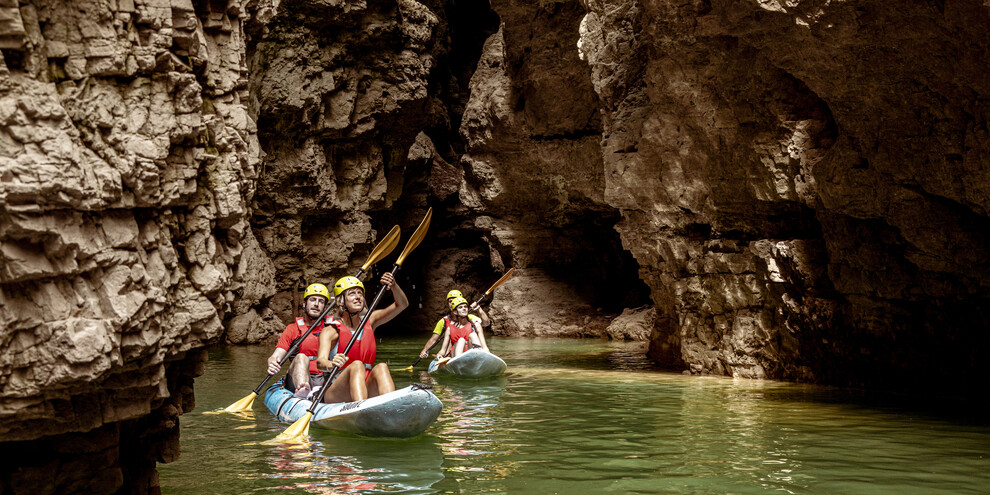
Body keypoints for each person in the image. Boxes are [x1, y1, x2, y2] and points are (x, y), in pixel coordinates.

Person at [315, 272, 408, 403]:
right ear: (341, 301)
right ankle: (360, 408)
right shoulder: (331, 330)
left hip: (365, 385)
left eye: (360, 293)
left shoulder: (370, 321)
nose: (358, 297)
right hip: (337, 391)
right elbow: (320, 362)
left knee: (381, 367)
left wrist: (394, 286)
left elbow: (402, 305)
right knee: (357, 365)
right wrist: (332, 363)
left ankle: (390, 406)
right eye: (352, 294)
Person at [266, 283, 332, 398]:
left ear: (325, 308)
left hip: (325, 378)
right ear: (304, 304)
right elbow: (276, 356)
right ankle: (303, 391)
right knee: (301, 357)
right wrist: (272, 363)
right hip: (299, 377)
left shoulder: (333, 328)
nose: (316, 304)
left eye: (321, 301)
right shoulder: (292, 329)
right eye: (313, 300)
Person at [418, 289, 490, 359]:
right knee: (461, 340)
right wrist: (425, 351)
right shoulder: (444, 322)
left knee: (472, 335)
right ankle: (458, 361)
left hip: (469, 350)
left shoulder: (472, 319)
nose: (454, 302)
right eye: (450, 301)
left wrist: (479, 309)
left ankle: (479, 356)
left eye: (465, 306)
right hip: (451, 353)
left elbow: (486, 323)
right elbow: (434, 339)